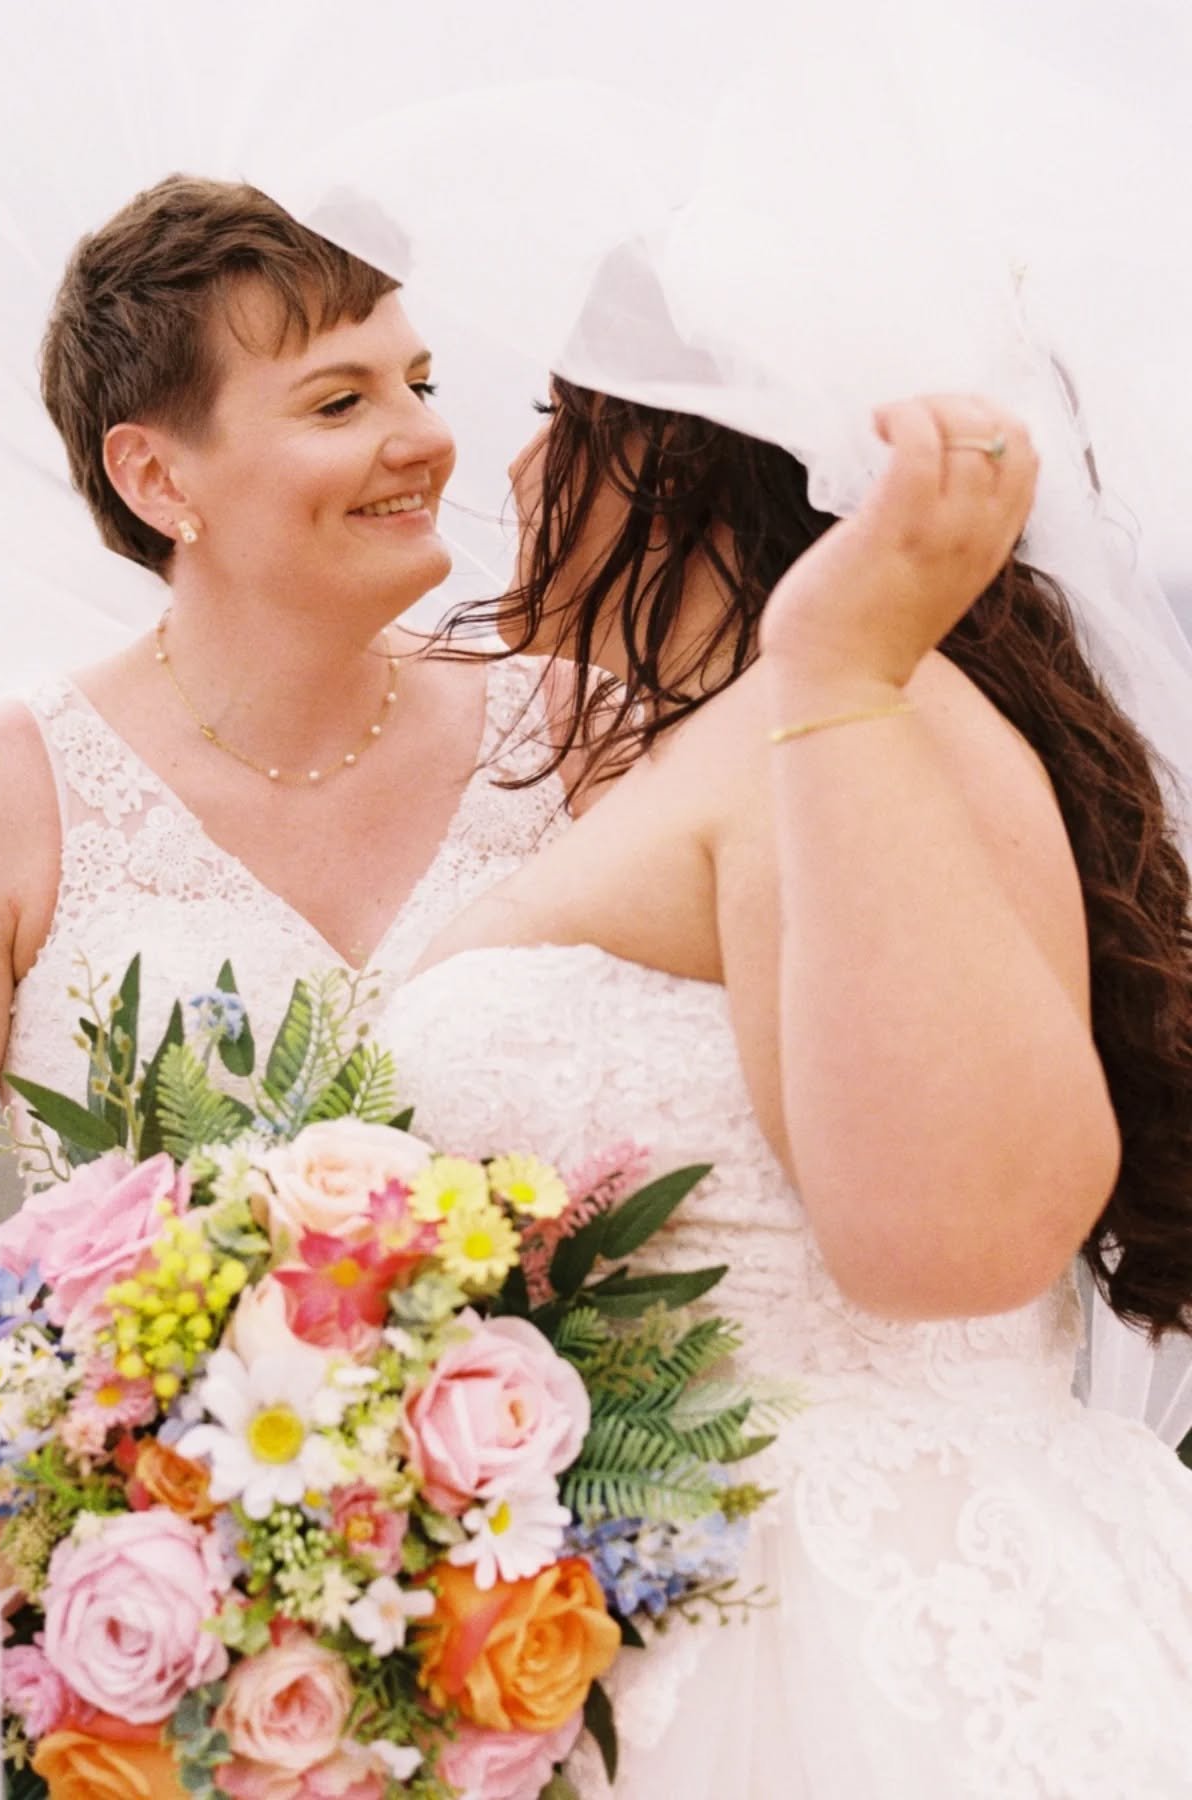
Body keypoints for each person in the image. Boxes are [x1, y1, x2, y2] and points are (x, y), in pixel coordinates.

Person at [379, 382, 1192, 1796]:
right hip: (659, 1606)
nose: (514, 465)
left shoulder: (852, 713)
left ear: (681, 452)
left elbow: (966, 1235)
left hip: (851, 1627)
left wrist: (834, 668)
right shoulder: (725, 740)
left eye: (558, 415)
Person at [0, 176, 568, 1276]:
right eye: (343, 403)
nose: (426, 437)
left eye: (420, 384)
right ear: (153, 474)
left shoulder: (572, 733)